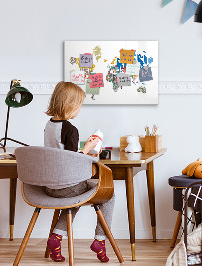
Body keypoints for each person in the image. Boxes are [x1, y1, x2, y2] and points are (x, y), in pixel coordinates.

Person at [44, 81, 114, 263]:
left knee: (74, 198)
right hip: (67, 186)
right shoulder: (70, 129)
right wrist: (88, 149)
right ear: (70, 105)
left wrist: (83, 149)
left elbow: (61, 154)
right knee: (109, 194)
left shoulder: (49, 125)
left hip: (50, 186)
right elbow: (71, 161)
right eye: (79, 105)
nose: (79, 109)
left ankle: (56, 238)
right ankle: (100, 240)